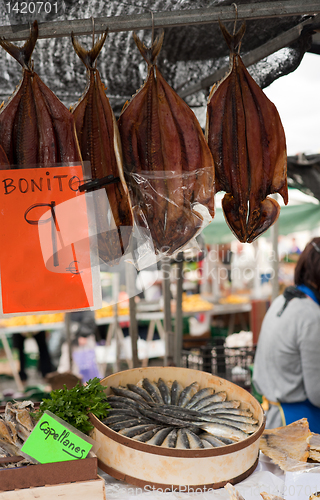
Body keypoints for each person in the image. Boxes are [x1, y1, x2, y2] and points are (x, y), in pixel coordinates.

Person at [252, 237, 320, 433]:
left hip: (270, 416)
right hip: (295, 425)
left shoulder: (283, 299)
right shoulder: (310, 315)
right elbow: (317, 393)